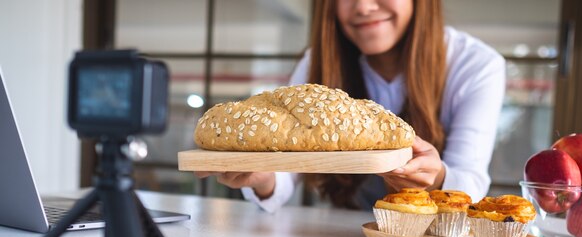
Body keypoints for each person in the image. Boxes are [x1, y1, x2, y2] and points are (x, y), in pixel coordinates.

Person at [195, 0, 505, 212]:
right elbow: (284, 174)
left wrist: (435, 177)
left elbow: (471, 183)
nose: (363, 6)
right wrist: (261, 176)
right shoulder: (319, 60)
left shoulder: (475, 64)